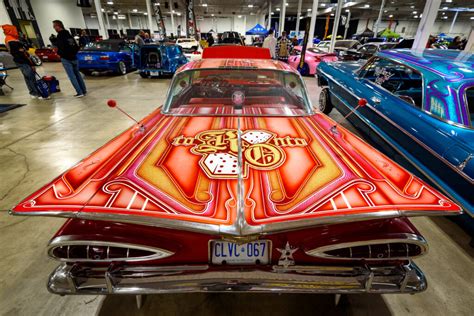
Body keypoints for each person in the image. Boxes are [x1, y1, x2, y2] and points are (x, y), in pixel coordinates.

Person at [2, 24, 47, 99]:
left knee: (27, 77)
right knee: (31, 77)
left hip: (19, 61)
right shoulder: (13, 41)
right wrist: (31, 64)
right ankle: (36, 93)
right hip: (23, 61)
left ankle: (32, 93)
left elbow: (21, 51)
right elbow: (22, 54)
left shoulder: (9, 40)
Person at [53, 20, 87, 97]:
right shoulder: (69, 35)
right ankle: (84, 90)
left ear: (58, 26)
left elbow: (61, 48)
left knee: (72, 76)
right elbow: (76, 46)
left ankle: (79, 92)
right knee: (77, 74)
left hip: (66, 59)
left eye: (54, 26)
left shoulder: (60, 36)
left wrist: (59, 54)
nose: (54, 28)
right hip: (74, 58)